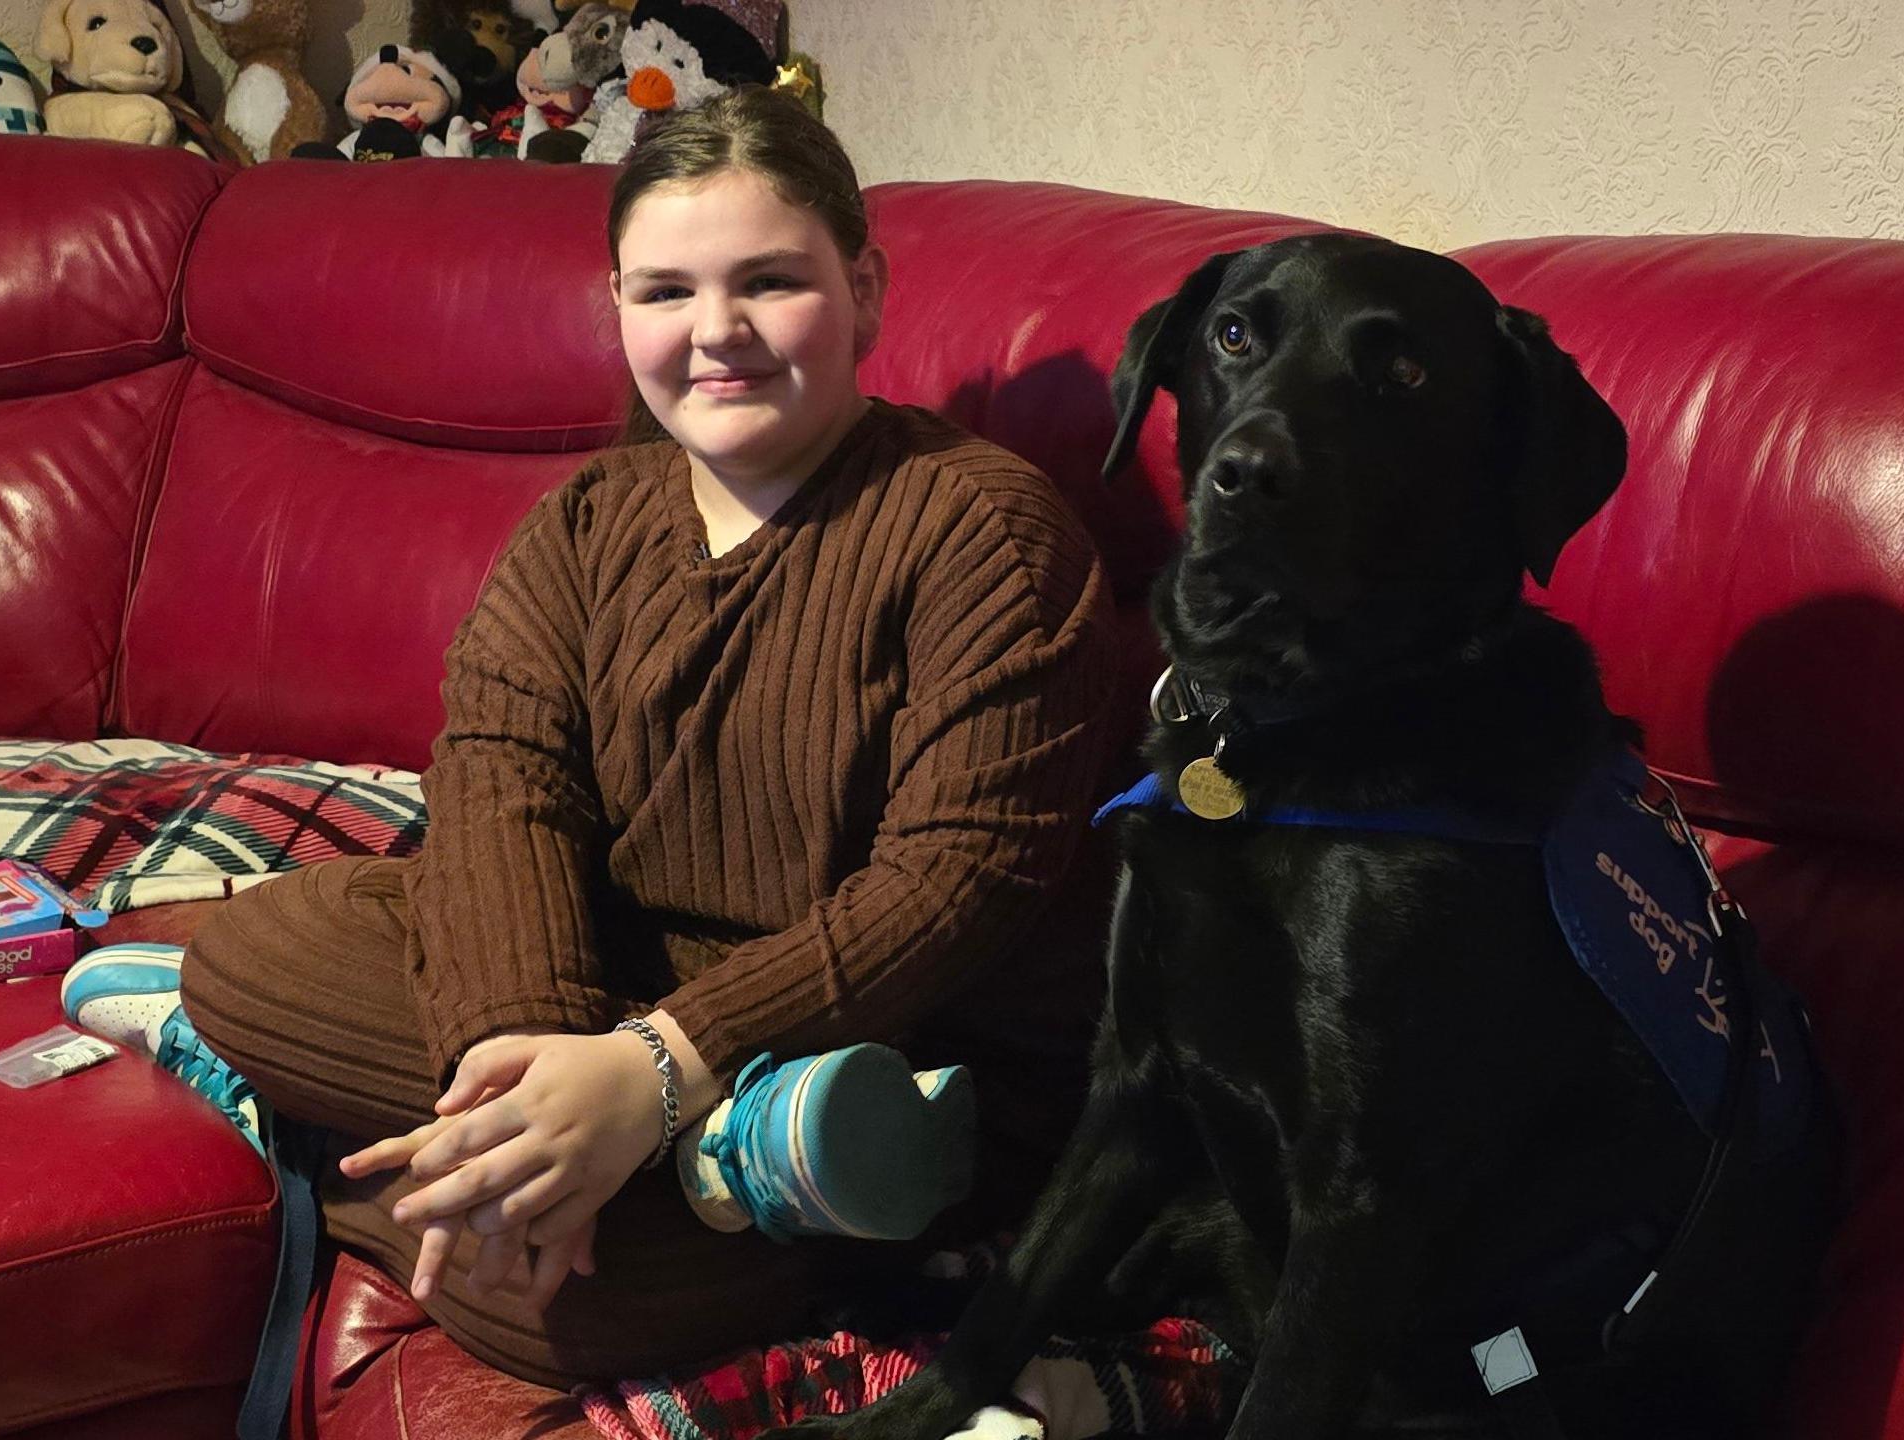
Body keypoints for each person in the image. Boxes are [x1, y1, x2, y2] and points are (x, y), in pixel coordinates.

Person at [58, 85, 1115, 1389]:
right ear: (616, 310)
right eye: (664, 291)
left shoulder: (984, 531)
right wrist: (543, 1051)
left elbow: (956, 882)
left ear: (866, 291)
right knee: (257, 949)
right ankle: (720, 1147)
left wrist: (658, 1069)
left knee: (571, 1315)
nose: (714, 334)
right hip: (623, 1000)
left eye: (769, 282)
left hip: (875, 1040)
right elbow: (503, 789)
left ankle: (316, 1119)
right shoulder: (585, 523)